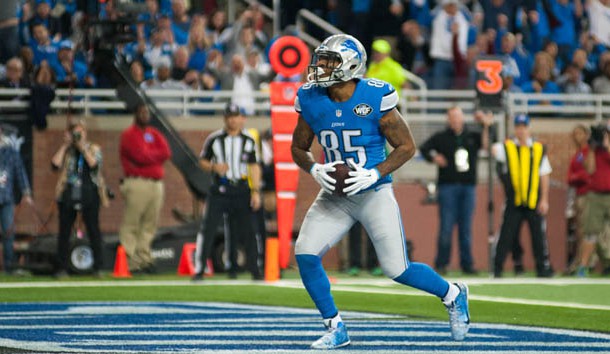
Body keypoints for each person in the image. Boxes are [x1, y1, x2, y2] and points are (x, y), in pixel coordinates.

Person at [291, 34, 470, 349]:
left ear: (350, 64)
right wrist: (315, 169)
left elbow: (407, 147)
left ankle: (453, 295)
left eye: (329, 60)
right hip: (335, 194)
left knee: (397, 269)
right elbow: (298, 148)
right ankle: (335, 327)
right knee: (305, 254)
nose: (320, 66)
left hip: (373, 192)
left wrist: (373, 173)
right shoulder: (310, 97)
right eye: (321, 59)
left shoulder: (374, 96)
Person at [192, 102, 263, 281]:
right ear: (225, 119)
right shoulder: (214, 139)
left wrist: (255, 191)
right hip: (219, 189)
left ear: (242, 118)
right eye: (229, 117)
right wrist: (215, 167)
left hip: (241, 188)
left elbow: (254, 166)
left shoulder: (249, 140)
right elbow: (202, 161)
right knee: (208, 228)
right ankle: (199, 268)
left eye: (235, 116)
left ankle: (254, 269)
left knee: (246, 230)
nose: (232, 120)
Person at [419, 107, 492, 275]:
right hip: (448, 186)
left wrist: (486, 126)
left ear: (462, 118)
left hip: (468, 186)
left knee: (465, 228)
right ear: (448, 119)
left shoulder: (472, 135)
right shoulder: (441, 137)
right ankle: (442, 263)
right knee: (446, 227)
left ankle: (467, 264)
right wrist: (434, 158)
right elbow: (424, 148)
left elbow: (486, 144)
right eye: (452, 117)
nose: (455, 120)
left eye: (458, 117)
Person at [492, 114, 554, 278]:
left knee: (538, 237)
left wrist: (544, 199)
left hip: (533, 200)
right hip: (514, 200)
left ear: (529, 128)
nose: (521, 130)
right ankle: (497, 269)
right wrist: (487, 127)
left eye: (524, 127)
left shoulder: (538, 149)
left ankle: (543, 268)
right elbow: (490, 148)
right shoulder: (507, 147)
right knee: (506, 236)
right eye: (518, 127)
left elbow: (545, 174)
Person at [51, 120, 108, 278]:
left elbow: (94, 165)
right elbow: (54, 165)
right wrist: (65, 145)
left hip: (89, 191)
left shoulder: (93, 148)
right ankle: (61, 267)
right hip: (69, 191)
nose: (77, 136)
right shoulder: (67, 151)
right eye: (74, 133)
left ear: (85, 133)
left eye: (79, 133)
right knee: (64, 231)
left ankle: (98, 267)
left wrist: (82, 147)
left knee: (93, 229)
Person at [119, 103, 171, 274]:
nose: (145, 115)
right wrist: (152, 156)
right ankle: (129, 260)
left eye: (147, 112)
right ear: (135, 114)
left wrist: (150, 154)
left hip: (156, 184)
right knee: (132, 222)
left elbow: (166, 152)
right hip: (137, 183)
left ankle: (144, 259)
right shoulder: (128, 135)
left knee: (150, 224)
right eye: (142, 112)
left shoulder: (153, 133)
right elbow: (139, 156)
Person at [578, 121, 610, 276]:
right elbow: (589, 169)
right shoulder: (593, 150)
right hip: (596, 195)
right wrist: (592, 148)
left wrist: (607, 144)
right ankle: (582, 267)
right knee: (590, 232)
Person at [0, 125, 33, 274]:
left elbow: (20, 172)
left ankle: (9, 266)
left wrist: (26, 192)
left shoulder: (11, 152)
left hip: (6, 198)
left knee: (8, 232)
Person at [565, 125, 590, 275]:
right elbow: (570, 176)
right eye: (575, 134)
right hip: (578, 193)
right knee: (580, 230)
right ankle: (580, 262)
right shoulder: (578, 153)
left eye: (580, 133)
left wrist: (576, 177)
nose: (577, 136)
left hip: (588, 194)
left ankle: (584, 262)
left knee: (588, 231)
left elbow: (587, 174)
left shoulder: (589, 152)